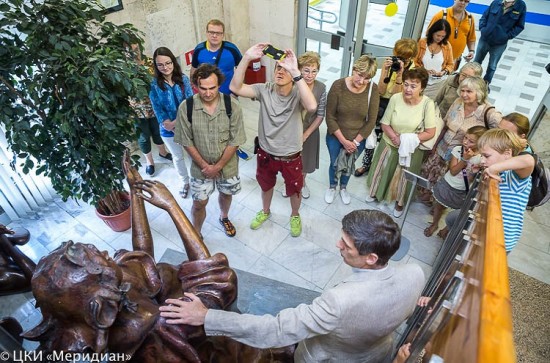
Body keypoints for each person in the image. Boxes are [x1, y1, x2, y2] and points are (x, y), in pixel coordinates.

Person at [23, 152, 292, 362]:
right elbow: (212, 278)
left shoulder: (114, 300)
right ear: (98, 300)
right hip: (224, 353)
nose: (106, 252)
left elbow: (140, 258)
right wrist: (172, 206)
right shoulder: (163, 331)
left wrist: (135, 192)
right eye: (99, 258)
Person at [159, 209, 426, 363]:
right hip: (378, 353)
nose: (337, 245)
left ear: (371, 258)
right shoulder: (416, 273)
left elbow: (275, 329)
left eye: (347, 244)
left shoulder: (339, 302)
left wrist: (207, 316)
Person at [229, 43, 317, 238]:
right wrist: (246, 57)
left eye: (285, 70)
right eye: (278, 67)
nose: (280, 71)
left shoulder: (298, 93)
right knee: (265, 185)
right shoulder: (264, 90)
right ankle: (266, 211)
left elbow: (311, 106)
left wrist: (295, 71)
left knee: (295, 190)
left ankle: (295, 215)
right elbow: (234, 87)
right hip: (266, 153)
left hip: (290, 155)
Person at [174, 64, 246, 238]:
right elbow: (186, 140)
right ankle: (196, 234)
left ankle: (224, 217)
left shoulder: (232, 106)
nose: (207, 93)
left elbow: (235, 140)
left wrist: (218, 166)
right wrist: (205, 166)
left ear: (219, 84)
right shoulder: (187, 107)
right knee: (199, 203)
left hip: (228, 167)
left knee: (226, 194)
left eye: (212, 88)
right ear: (196, 86)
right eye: (202, 88)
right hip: (200, 169)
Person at [366, 68, 436, 218]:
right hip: (389, 143)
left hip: (411, 149)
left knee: (404, 177)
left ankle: (399, 202)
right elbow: (384, 123)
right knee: (382, 170)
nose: (408, 89)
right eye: (406, 84)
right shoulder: (396, 98)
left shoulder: (427, 104)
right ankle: (376, 193)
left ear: (422, 88)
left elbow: (430, 132)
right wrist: (394, 138)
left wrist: (405, 139)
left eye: (413, 86)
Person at [420, 76, 502, 203]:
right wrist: (435, 145)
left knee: (449, 182)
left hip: (460, 156)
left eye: (469, 92)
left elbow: (500, 135)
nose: (464, 94)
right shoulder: (458, 102)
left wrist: (482, 152)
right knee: (431, 173)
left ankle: (438, 203)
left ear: (479, 93)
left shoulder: (489, 112)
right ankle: (430, 196)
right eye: (462, 90)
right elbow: (446, 124)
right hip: (442, 148)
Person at [354, 38, 417, 177]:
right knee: (371, 134)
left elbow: (397, 95)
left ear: (411, 58)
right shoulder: (389, 64)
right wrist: (385, 71)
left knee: (386, 139)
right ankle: (366, 164)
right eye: (399, 56)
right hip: (381, 102)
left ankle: (380, 168)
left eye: (405, 58)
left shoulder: (413, 71)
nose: (401, 60)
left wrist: (400, 75)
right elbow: (381, 90)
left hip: (398, 105)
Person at [325, 55, 379, 205]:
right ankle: (332, 186)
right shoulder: (338, 86)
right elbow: (329, 117)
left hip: (358, 138)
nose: (362, 81)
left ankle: (343, 188)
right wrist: (344, 141)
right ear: (354, 69)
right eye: (360, 75)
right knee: (335, 163)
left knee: (349, 163)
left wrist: (354, 142)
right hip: (336, 135)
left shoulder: (372, 89)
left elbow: (371, 121)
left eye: (367, 78)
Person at [478, 128, 534, 253]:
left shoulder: (514, 177)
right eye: (481, 155)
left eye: (486, 156)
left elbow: (529, 161)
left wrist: (494, 168)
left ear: (507, 153)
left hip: (501, 241)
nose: (482, 160)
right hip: (488, 232)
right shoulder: (501, 172)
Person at [424, 126, 485, 237]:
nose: (465, 142)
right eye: (465, 138)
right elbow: (453, 171)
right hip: (447, 184)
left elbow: (471, 179)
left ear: (480, 143)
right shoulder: (458, 150)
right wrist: (464, 159)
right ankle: (435, 224)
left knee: (457, 212)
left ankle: (446, 229)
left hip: (462, 190)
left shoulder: (481, 158)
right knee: (439, 206)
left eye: (471, 141)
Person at [149, 47, 194, 198]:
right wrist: (167, 123)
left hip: (187, 125)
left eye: (168, 63)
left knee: (193, 154)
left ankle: (196, 179)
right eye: (160, 65)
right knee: (177, 156)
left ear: (173, 62)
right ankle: (185, 182)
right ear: (156, 66)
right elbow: (157, 107)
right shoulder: (154, 84)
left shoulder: (183, 79)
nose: (165, 67)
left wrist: (176, 123)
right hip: (167, 128)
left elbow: (190, 103)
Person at [286, 51, 326, 199]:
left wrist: (306, 134)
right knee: (289, 161)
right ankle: (289, 184)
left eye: (314, 71)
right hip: (290, 131)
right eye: (306, 71)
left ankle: (302, 183)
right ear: (300, 70)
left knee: (305, 162)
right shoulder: (291, 84)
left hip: (310, 131)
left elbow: (320, 115)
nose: (310, 75)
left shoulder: (321, 88)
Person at [130, 48, 172, 176]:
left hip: (154, 107)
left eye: (136, 49)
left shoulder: (151, 62)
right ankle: (150, 162)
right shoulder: (122, 68)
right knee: (143, 137)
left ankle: (162, 152)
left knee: (158, 132)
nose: (134, 52)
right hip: (137, 110)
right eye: (129, 50)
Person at [474, 0, 527, 88]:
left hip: (499, 44)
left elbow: (520, 26)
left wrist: (507, 36)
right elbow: (484, 16)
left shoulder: (521, 5)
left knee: (492, 66)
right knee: (476, 62)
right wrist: (483, 29)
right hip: (485, 39)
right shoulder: (496, 2)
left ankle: (485, 85)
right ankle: (472, 82)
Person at [190, 19, 242, 95]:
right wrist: (196, 90)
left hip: (229, 94)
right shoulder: (199, 50)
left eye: (218, 33)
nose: (214, 36)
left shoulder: (232, 49)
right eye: (211, 32)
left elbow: (241, 70)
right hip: (207, 95)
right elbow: (193, 72)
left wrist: (236, 92)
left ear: (223, 35)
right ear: (207, 33)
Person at [427, 0, 476, 70]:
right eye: (461, 0)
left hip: (455, 60)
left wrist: (471, 51)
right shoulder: (441, 15)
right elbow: (428, 35)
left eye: (466, 1)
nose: (463, 3)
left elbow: (471, 38)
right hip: (437, 58)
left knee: (448, 80)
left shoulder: (470, 18)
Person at [415, 19, 455, 99]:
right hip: (420, 80)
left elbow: (450, 65)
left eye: (443, 36)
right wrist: (423, 71)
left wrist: (443, 72)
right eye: (438, 35)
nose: (440, 38)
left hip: (438, 83)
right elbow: (414, 61)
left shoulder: (447, 46)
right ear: (432, 32)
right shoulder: (422, 42)